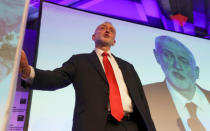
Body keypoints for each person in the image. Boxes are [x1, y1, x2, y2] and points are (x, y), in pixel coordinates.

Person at [20, 22, 156, 131]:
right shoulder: (79, 61)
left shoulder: (128, 66)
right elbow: (56, 78)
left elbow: (141, 100)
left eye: (111, 30)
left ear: (114, 41)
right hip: (98, 126)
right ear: (93, 36)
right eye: (102, 28)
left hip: (132, 125)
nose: (107, 30)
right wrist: (27, 71)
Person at [143, 35, 210, 131]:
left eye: (184, 61)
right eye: (168, 56)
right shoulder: (145, 94)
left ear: (196, 72)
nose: (177, 66)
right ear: (158, 57)